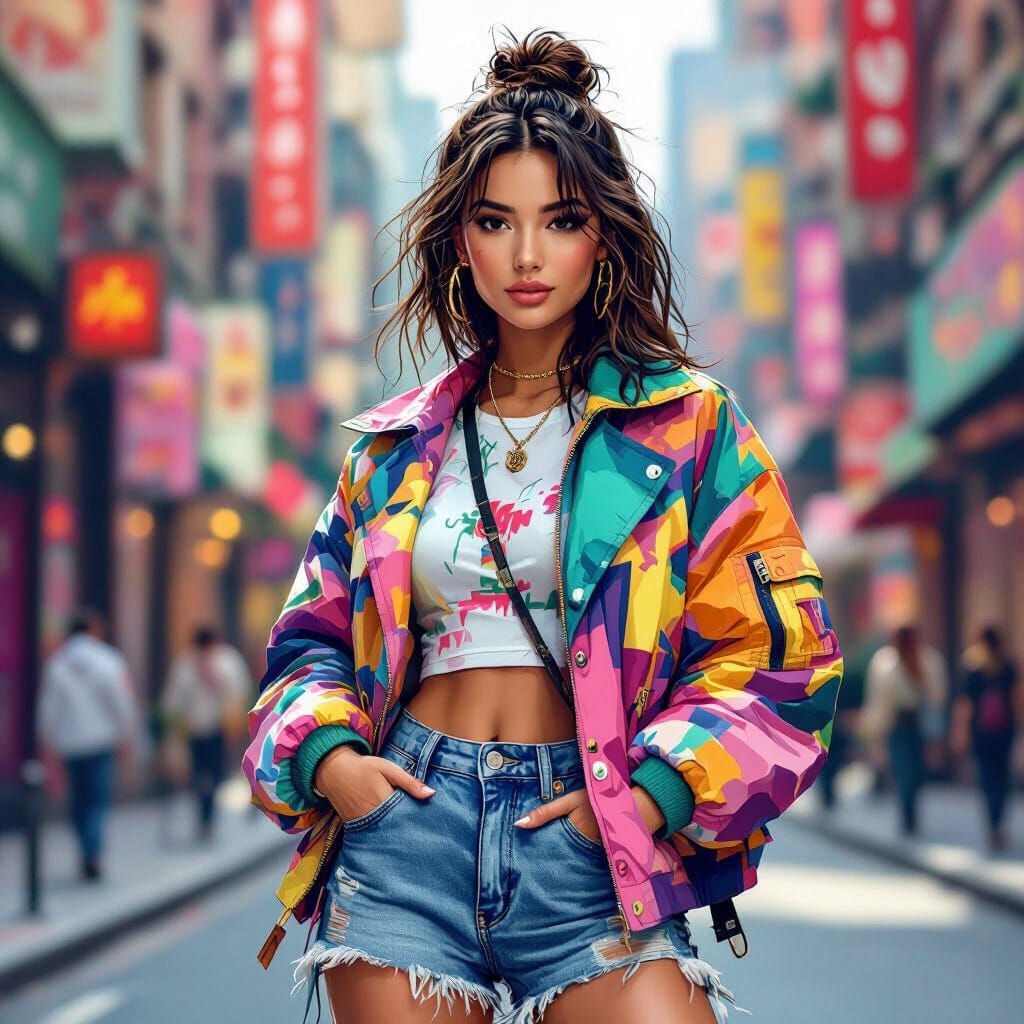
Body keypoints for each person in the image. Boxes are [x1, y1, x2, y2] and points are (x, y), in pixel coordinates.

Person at [243, 29, 844, 1024]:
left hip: (597, 839)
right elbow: (304, 649)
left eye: (559, 220)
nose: (526, 256)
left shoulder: (691, 428)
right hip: (405, 841)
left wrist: (652, 793)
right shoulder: (392, 450)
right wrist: (333, 767)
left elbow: (785, 661)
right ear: (459, 240)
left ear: (601, 235)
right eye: (495, 221)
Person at [35, 607, 142, 881]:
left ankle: (86, 848)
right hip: (101, 742)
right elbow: (121, 703)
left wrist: (48, 742)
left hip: (70, 744)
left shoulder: (56, 664)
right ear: (93, 631)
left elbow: (48, 710)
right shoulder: (108, 660)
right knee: (96, 801)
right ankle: (92, 852)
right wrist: (126, 734)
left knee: (78, 801)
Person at [161, 624, 252, 842]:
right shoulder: (185, 664)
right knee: (200, 776)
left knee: (215, 775)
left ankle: (208, 819)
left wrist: (216, 680)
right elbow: (173, 700)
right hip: (194, 729)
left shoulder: (228, 660)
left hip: (220, 727)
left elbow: (239, 690)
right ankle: (204, 819)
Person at [859, 624, 948, 836]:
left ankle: (910, 814)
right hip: (897, 726)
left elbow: (936, 698)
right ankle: (908, 816)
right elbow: (878, 700)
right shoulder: (886, 661)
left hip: (918, 725)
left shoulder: (926, 660)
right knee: (904, 772)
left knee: (913, 773)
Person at [950, 625, 1020, 852]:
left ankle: (992, 825)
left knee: (987, 777)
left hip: (982, 732)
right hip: (1005, 730)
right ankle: (998, 822)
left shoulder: (973, 668)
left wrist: (960, 732)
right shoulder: (1008, 666)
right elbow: (1017, 700)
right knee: (1002, 777)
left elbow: (965, 705)